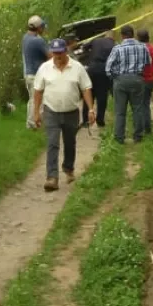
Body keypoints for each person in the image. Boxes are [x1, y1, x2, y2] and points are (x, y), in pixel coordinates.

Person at [33, 38, 96, 191]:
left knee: (70, 142)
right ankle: (52, 177)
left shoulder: (77, 67)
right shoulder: (45, 68)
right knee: (52, 143)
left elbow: (86, 88)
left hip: (71, 112)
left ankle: (68, 169)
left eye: (60, 52)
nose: (57, 56)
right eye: (54, 53)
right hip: (51, 111)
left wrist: (91, 109)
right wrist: (36, 112)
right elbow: (38, 90)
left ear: (66, 51)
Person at [105, 25, 151, 144]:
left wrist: (116, 77)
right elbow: (148, 62)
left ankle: (119, 137)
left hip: (121, 80)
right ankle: (138, 136)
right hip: (137, 79)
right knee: (137, 109)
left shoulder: (117, 48)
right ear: (133, 34)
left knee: (120, 111)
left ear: (122, 35)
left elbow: (108, 68)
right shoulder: (143, 47)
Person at [22, 15, 50, 129]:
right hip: (36, 75)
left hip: (28, 74)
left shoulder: (25, 37)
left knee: (32, 100)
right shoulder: (38, 41)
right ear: (38, 28)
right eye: (42, 26)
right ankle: (36, 124)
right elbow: (51, 56)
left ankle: (30, 124)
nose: (43, 28)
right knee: (38, 101)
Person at [83, 30, 115, 127]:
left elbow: (84, 47)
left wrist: (89, 56)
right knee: (102, 96)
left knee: (88, 92)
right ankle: (100, 120)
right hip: (104, 70)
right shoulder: (114, 44)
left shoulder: (96, 40)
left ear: (105, 36)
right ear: (113, 37)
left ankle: (85, 120)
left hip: (91, 68)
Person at [137, 29, 153, 134]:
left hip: (141, 79)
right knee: (146, 104)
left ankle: (141, 128)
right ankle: (148, 128)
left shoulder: (139, 50)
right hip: (151, 79)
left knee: (140, 105)